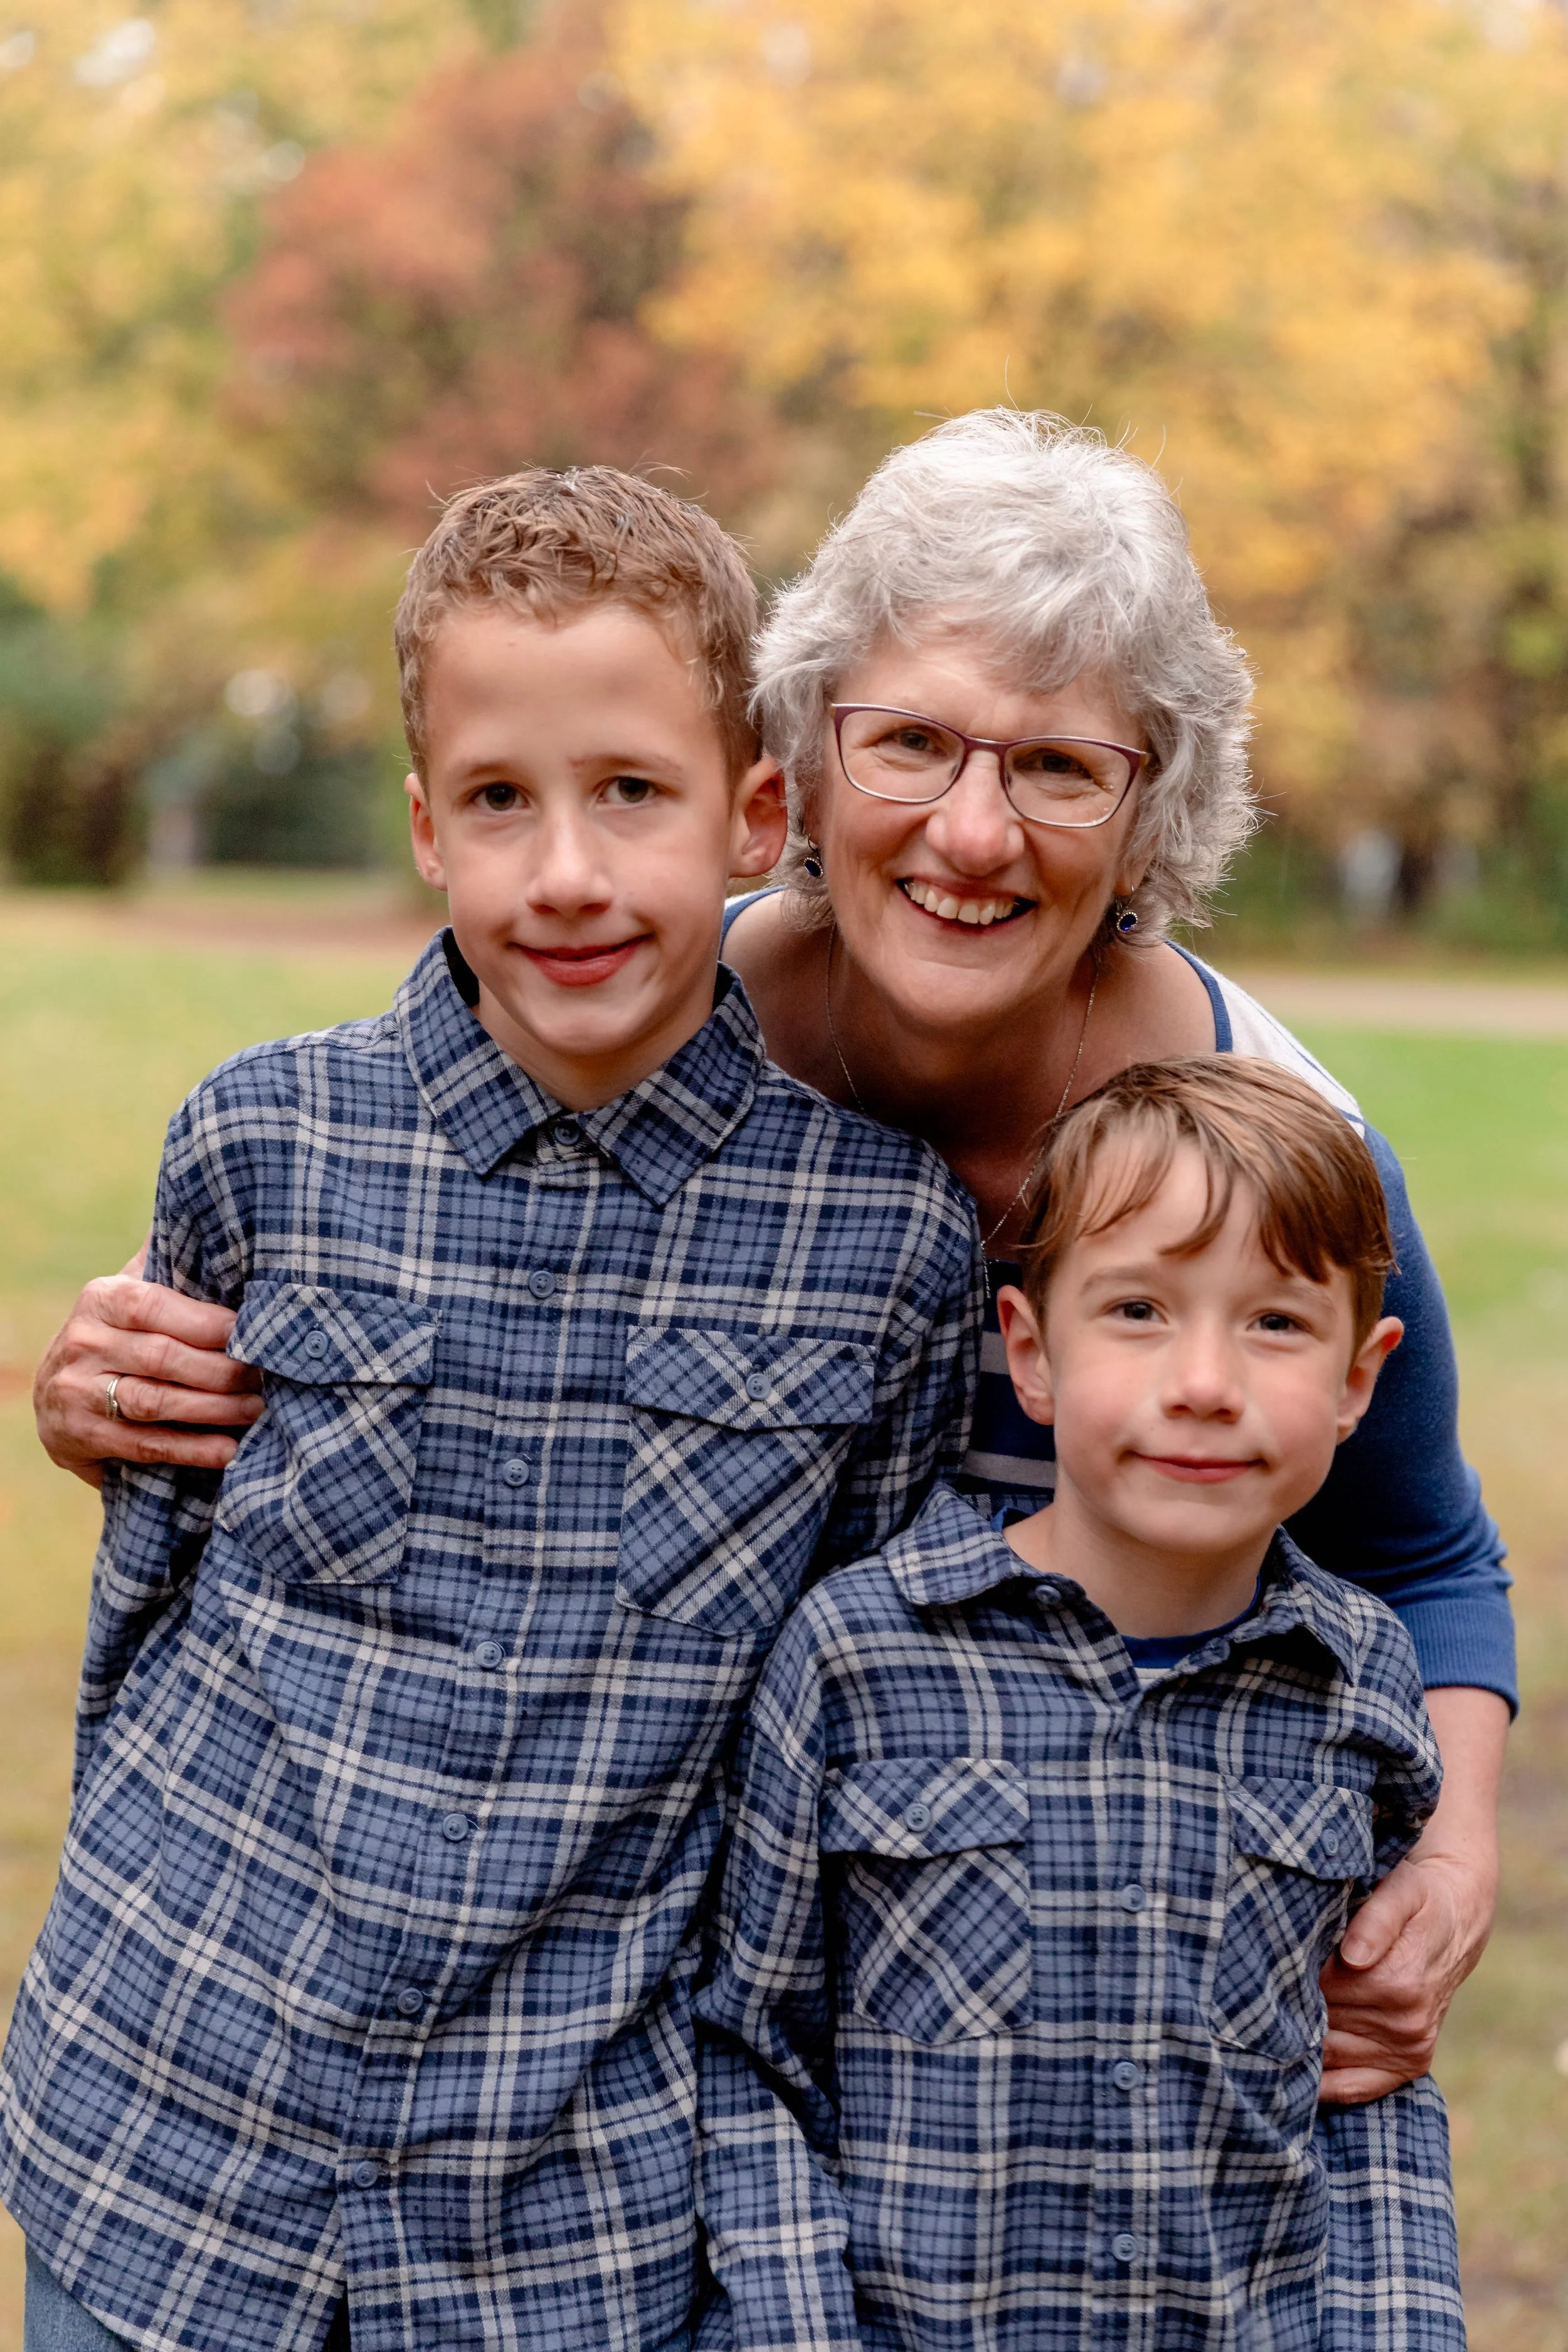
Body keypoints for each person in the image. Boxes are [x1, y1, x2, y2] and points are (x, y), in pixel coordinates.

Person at [33, 407, 1510, 2096]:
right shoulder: (642, 997)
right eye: (911, 744)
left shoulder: (1273, 1158)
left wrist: (1453, 1857)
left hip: (1046, 1958)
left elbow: (1427, 1549)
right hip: (605, 1990)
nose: (969, 832)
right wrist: (122, 1378)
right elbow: (385, 1225)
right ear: (793, 762)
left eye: (1054, 764)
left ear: (1147, 811)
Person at [1, 468, 983, 2352]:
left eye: (631, 789)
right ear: (426, 832)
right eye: (499, 801)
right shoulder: (262, 1139)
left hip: (564, 2204)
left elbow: (846, 1720)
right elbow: (148, 1612)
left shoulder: (879, 1243)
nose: (566, 873)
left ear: (755, 813)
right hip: (179, 2129)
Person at [697, 1057, 1465, 2352]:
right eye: (1137, 1312)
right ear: (1030, 1352)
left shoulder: (1359, 1686)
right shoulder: (857, 1658)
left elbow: (1369, 2085)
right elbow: (755, 2051)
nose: (1204, 1382)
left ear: (1356, 1379)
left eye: (1274, 1323)